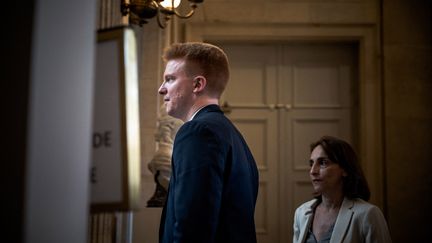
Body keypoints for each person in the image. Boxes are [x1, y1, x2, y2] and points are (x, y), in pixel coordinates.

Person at [157, 42, 259, 243]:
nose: (161, 89)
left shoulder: (197, 132)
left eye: (170, 79)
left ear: (197, 84)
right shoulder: (233, 136)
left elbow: (193, 225)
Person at [293, 136, 391, 243]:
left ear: (345, 169)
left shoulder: (367, 214)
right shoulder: (301, 213)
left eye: (323, 163)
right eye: (311, 163)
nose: (313, 171)